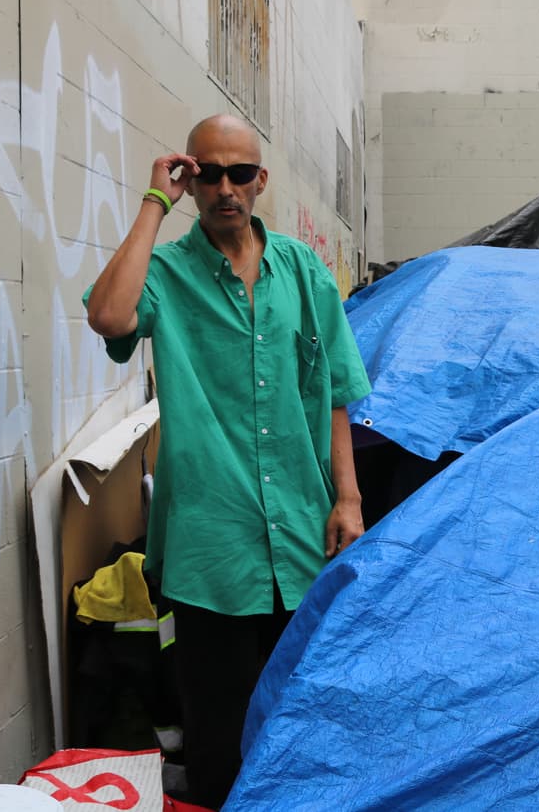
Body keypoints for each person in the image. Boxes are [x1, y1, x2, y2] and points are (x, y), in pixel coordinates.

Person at [84, 114, 371, 808]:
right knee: (219, 745)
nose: (223, 188)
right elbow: (109, 317)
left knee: (304, 730)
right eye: (205, 173)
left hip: (302, 540)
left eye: (239, 173)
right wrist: (156, 202)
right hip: (210, 556)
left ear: (260, 180)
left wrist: (349, 499)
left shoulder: (302, 271)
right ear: (189, 178)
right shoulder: (168, 275)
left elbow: (333, 387)